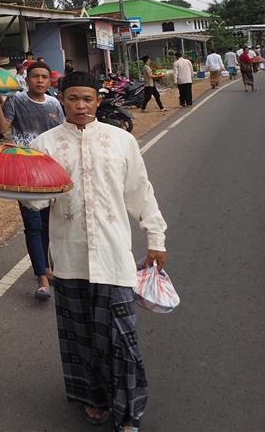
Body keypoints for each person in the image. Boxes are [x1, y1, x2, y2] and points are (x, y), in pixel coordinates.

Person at [29, 72, 167, 432]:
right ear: (62, 99)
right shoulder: (45, 145)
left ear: (97, 100)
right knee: (82, 336)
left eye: (88, 99)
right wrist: (22, 191)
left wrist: (155, 238)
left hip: (114, 255)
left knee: (121, 336)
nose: (81, 106)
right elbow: (39, 201)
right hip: (70, 257)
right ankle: (96, 397)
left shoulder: (120, 141)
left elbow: (140, 191)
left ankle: (128, 411)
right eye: (73, 98)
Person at [0, 62, 65, 300]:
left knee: (48, 225)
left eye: (44, 77)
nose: (40, 81)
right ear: (27, 79)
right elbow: (3, 128)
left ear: (49, 81)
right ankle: (42, 278)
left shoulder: (54, 104)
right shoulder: (17, 100)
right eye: (35, 77)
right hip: (25, 173)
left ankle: (48, 268)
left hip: (50, 173)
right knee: (33, 225)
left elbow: (62, 136)